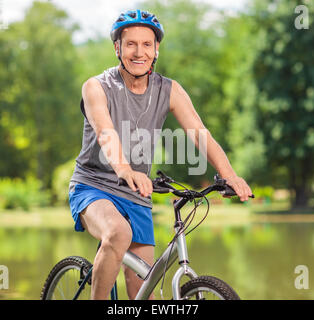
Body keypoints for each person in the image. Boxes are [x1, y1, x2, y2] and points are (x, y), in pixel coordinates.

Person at [68, 9, 252, 300]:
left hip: (136, 192)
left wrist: (230, 175)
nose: (138, 52)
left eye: (146, 44)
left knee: (144, 291)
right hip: (92, 186)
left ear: (156, 50)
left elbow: (200, 134)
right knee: (118, 233)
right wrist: (125, 169)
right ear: (117, 48)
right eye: (130, 44)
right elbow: (106, 133)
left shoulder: (170, 90)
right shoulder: (96, 87)